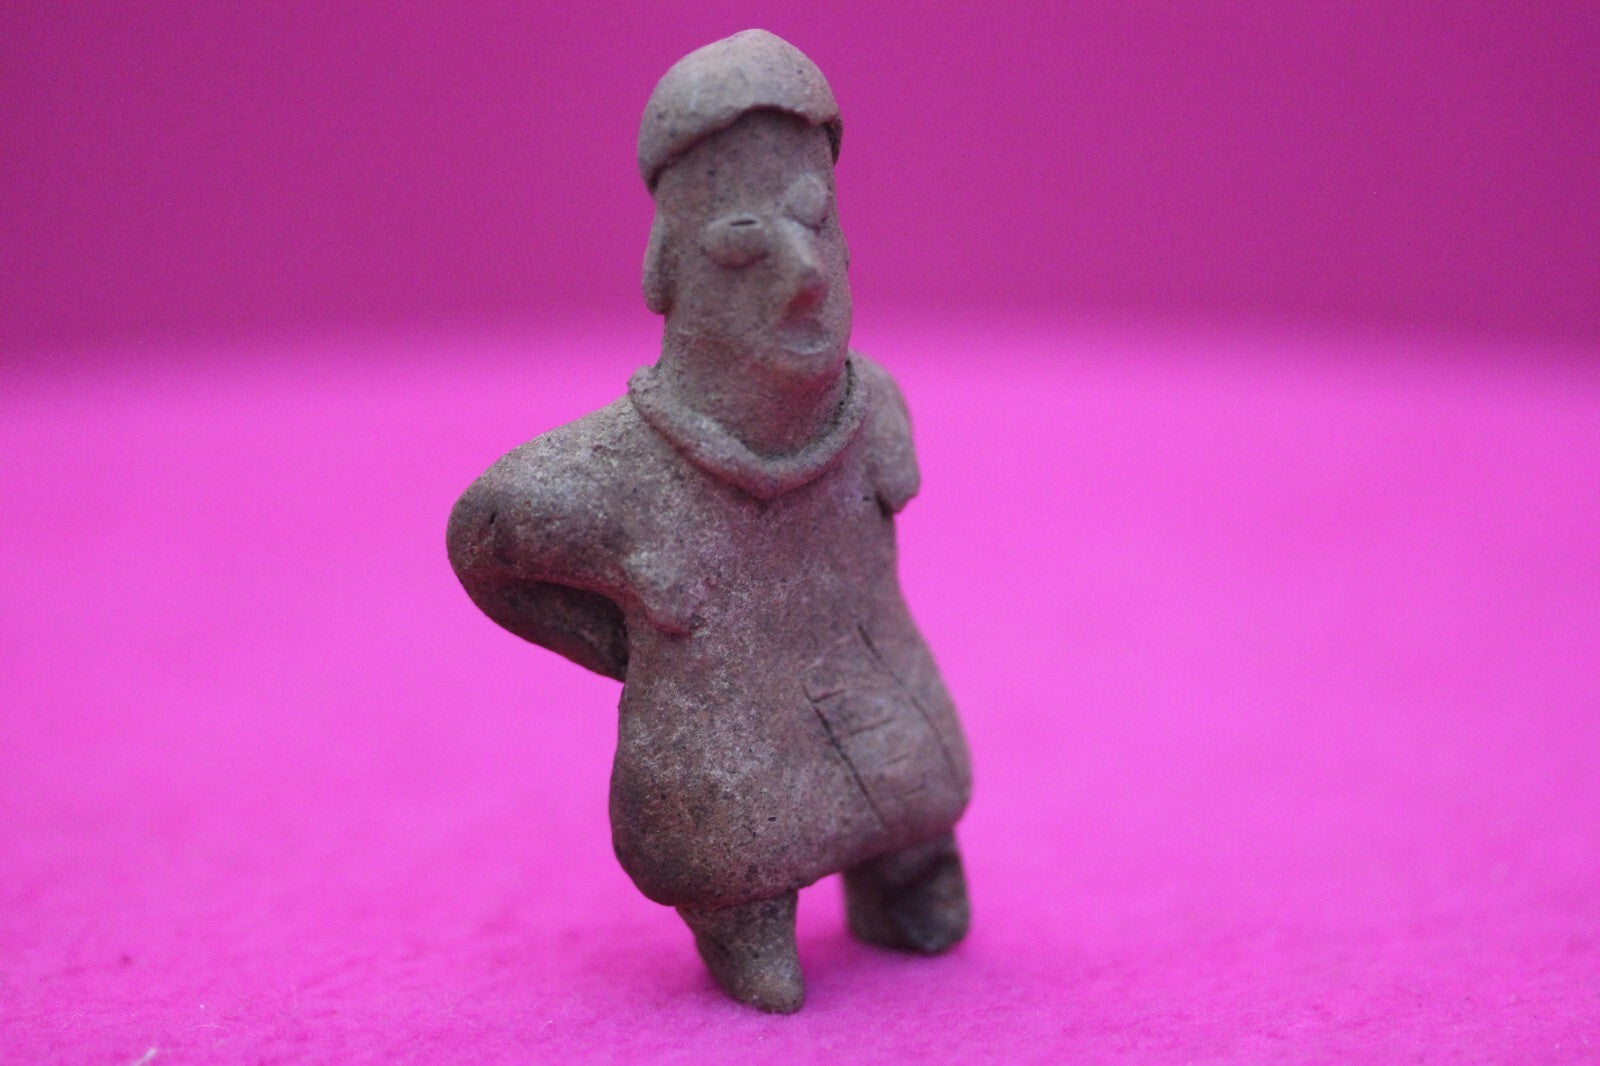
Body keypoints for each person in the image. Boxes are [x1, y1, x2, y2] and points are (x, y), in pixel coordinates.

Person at [447, 30, 971, 1014]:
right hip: (725, 758)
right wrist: (626, 623)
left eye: (816, 220)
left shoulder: (876, 411)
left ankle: (902, 874)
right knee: (730, 841)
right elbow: (485, 542)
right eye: (741, 241)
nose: (804, 272)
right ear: (666, 267)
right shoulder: (620, 470)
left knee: (919, 794)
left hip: (885, 703)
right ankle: (743, 918)